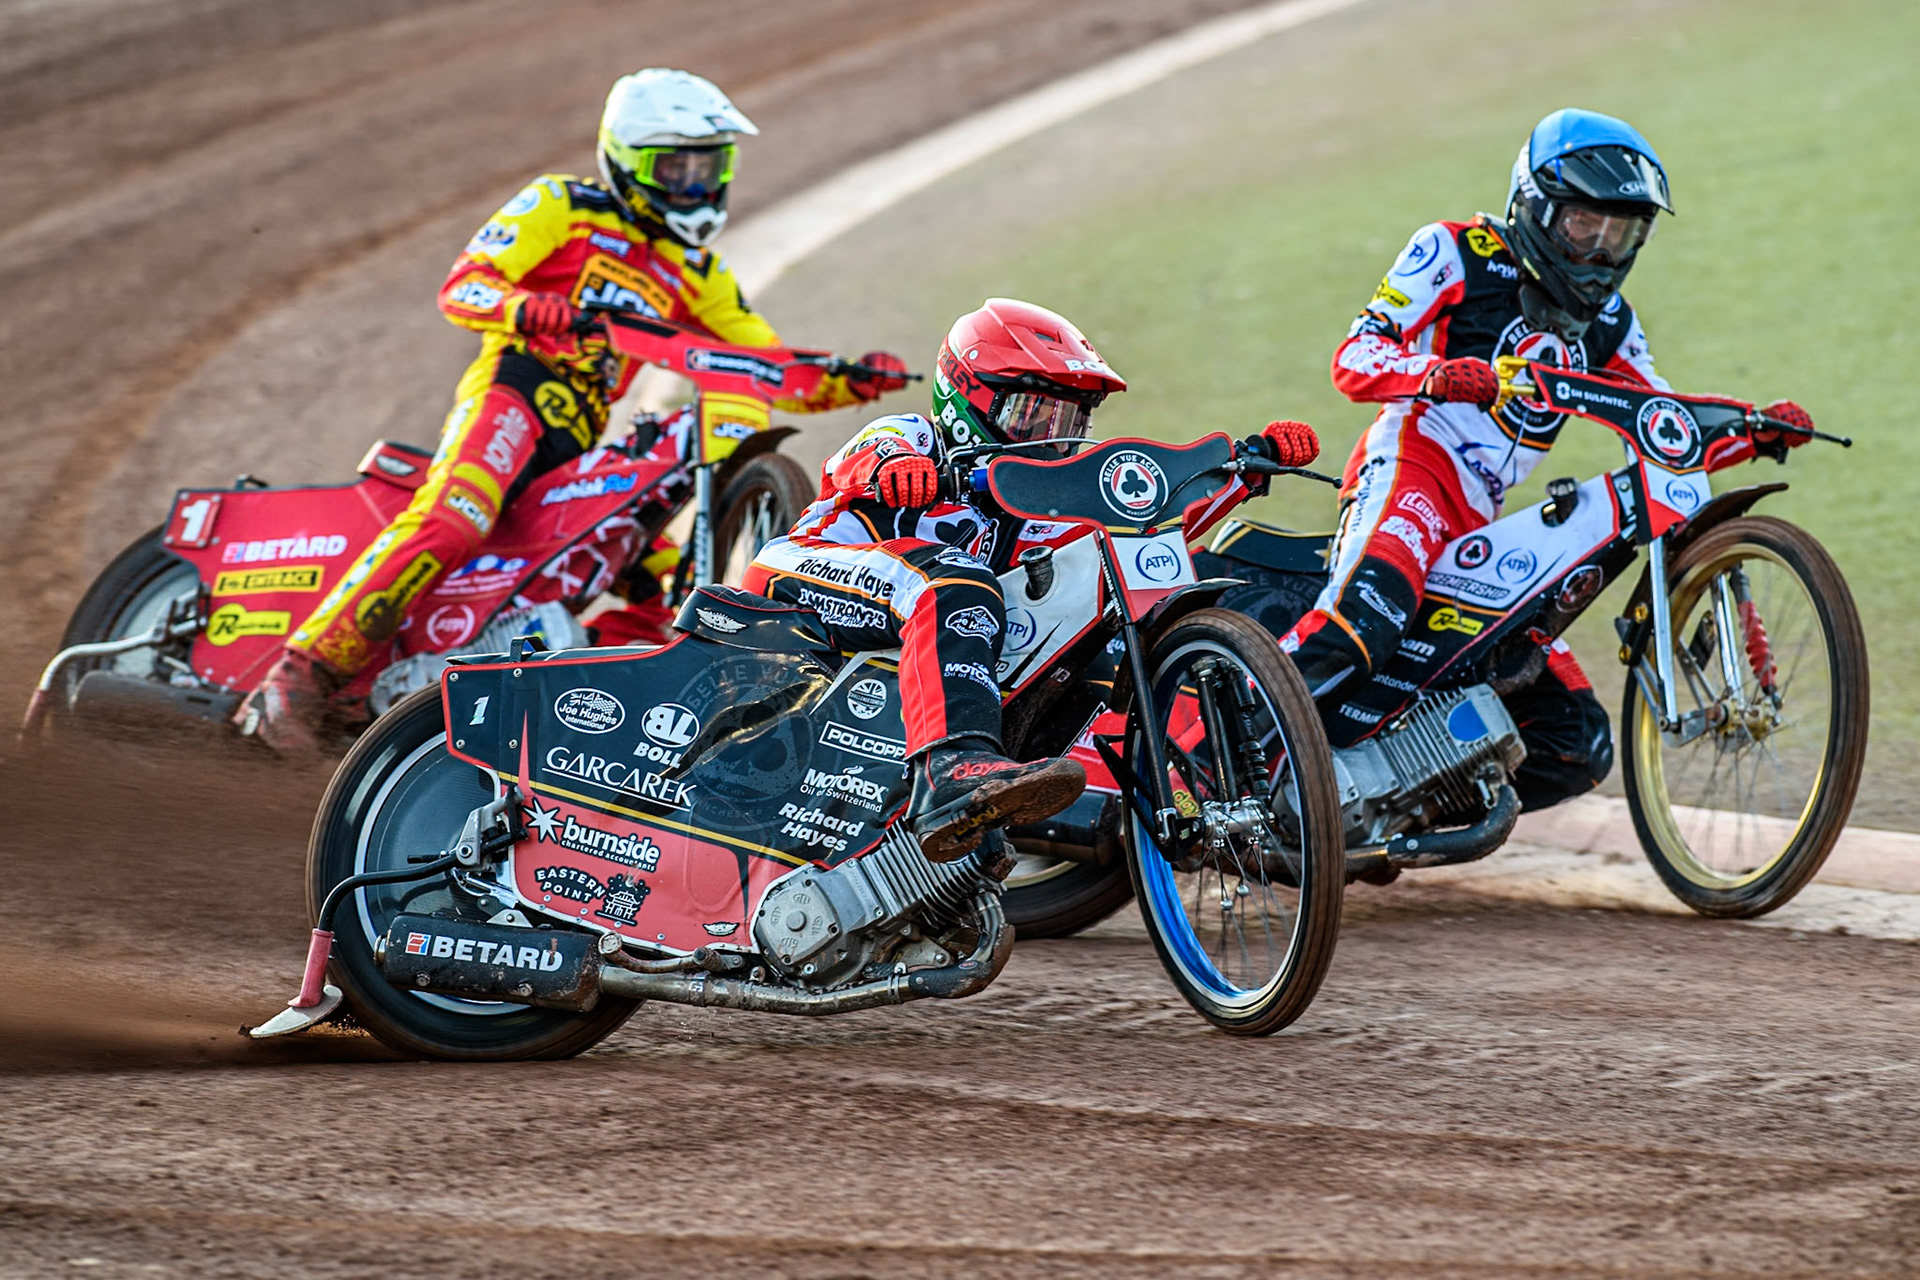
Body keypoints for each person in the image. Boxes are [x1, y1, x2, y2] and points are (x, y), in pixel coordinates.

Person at [239, 68, 906, 754]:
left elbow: (764, 363)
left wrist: (848, 380)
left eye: (709, 168)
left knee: (650, 581)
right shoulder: (562, 205)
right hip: (515, 393)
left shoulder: (698, 272)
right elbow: (463, 285)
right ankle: (303, 673)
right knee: (457, 517)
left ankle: (583, 729)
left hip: (583, 445)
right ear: (626, 159)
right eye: (675, 167)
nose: (695, 186)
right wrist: (527, 307)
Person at [1279, 108, 1817, 809]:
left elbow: (1661, 418)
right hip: (1410, 471)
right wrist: (1440, 375)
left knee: (1578, 743)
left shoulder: (1614, 321)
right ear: (1533, 206)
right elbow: (1355, 358)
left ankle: (1384, 804)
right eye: (1582, 224)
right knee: (1364, 624)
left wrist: (1750, 426)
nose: (1598, 250)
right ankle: (1199, 762)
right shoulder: (1453, 250)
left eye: (1619, 233)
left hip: (1486, 526)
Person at [744, 298, 1320, 859]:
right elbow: (866, 454)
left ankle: (1046, 787)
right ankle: (952, 766)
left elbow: (1144, 530)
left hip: (901, 624)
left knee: (1091, 613)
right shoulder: (914, 436)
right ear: (964, 396)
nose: (1054, 435)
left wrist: (1245, 471)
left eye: (1070, 419)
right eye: (1033, 414)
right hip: (800, 580)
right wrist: (896, 469)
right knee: (957, 585)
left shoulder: (1038, 516)